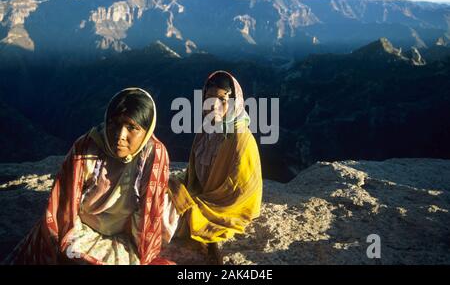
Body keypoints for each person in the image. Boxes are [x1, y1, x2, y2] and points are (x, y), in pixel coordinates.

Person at [6, 88, 179, 265]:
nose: (120, 135)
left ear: (147, 131)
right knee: (64, 253)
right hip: (82, 226)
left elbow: (147, 214)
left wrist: (140, 250)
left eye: (132, 127)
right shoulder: (88, 146)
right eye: (114, 124)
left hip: (125, 234)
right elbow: (65, 205)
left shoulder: (153, 155)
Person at [168, 71, 263, 264]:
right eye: (209, 99)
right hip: (200, 198)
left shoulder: (241, 140)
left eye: (222, 99)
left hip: (221, 209)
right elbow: (193, 177)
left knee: (161, 217)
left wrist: (191, 205)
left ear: (235, 103)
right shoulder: (205, 131)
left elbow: (240, 195)